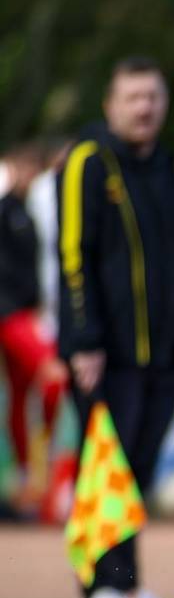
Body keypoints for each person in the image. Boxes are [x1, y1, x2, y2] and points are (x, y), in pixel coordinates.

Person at [57, 56, 174, 598]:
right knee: (105, 473)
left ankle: (130, 590)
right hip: (106, 355)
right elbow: (73, 256)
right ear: (111, 103)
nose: (145, 107)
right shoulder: (89, 162)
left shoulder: (169, 164)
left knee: (136, 474)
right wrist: (84, 341)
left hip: (162, 353)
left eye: (154, 97)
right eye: (134, 97)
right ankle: (98, 596)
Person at [0, 141, 68, 516]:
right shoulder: (7, 210)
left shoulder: (30, 210)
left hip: (27, 312)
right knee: (52, 376)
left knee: (20, 394)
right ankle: (35, 475)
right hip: (11, 316)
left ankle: (31, 479)